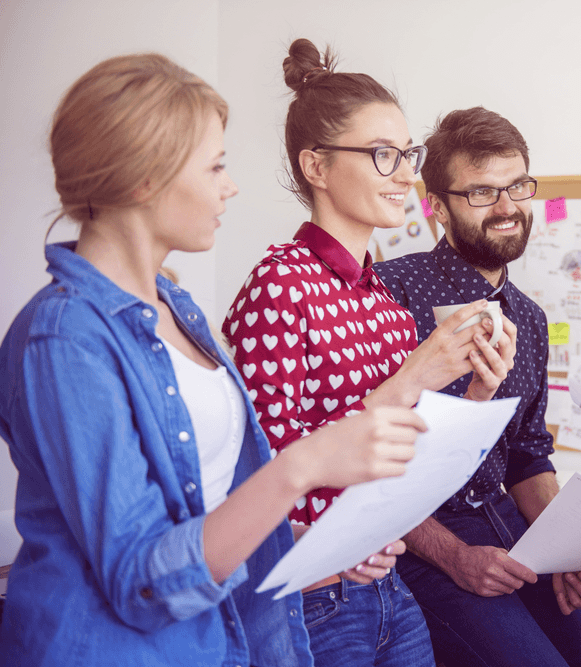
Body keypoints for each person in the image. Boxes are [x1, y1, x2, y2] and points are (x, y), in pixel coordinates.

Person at [0, 53, 426, 667]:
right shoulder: (64, 337)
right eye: (216, 166)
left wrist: (318, 545)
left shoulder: (178, 308)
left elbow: (203, 521)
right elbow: (143, 581)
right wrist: (304, 465)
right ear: (146, 176)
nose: (230, 185)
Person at [223, 40, 516, 667]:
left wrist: (477, 395)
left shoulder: (380, 293)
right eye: (384, 155)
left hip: (387, 582)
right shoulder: (280, 283)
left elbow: (402, 455)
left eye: (406, 155)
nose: (407, 175)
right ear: (317, 166)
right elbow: (260, 463)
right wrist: (413, 376)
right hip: (312, 597)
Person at [375, 107, 581, 667]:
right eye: (483, 192)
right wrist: (455, 556)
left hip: (507, 520)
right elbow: (374, 464)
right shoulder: (391, 293)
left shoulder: (529, 319)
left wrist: (571, 551)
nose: (508, 208)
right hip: (421, 537)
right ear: (437, 207)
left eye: (517, 187)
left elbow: (528, 458)